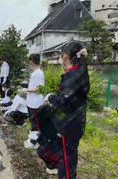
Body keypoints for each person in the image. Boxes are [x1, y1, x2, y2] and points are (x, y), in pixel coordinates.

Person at [36, 41, 90, 178]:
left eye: (61, 54)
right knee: (70, 155)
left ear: (66, 56)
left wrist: (51, 97)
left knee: (65, 158)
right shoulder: (81, 72)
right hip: (78, 121)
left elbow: (63, 101)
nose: (60, 57)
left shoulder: (72, 75)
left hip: (68, 124)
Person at [23, 54, 44, 149]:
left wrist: (26, 90)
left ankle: (34, 142)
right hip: (31, 102)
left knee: (35, 123)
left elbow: (39, 89)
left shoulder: (39, 73)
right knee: (33, 122)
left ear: (32, 61)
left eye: (29, 61)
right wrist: (27, 85)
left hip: (35, 103)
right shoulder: (35, 72)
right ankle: (33, 139)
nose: (28, 63)